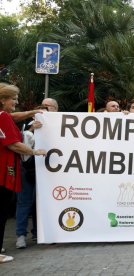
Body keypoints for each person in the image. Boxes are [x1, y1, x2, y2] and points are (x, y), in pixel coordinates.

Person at [0, 83, 47, 263]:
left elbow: (14, 116)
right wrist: (35, 151)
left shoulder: (3, 115)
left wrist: (31, 112)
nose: (16, 101)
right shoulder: (3, 116)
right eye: (14, 98)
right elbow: (13, 144)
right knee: (2, 211)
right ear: (3, 99)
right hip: (4, 171)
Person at [15, 105, 48, 249]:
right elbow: (20, 147)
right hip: (28, 169)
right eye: (40, 114)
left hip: (46, 170)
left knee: (41, 202)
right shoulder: (25, 127)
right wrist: (31, 130)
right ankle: (20, 235)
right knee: (24, 202)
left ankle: (38, 233)